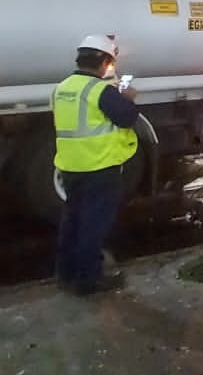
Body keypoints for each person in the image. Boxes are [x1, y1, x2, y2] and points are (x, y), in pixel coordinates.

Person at [52, 34, 140, 294]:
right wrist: (129, 98)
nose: (108, 69)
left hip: (69, 166)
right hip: (99, 167)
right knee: (93, 225)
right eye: (109, 63)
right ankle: (88, 280)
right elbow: (127, 118)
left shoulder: (62, 87)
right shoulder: (100, 90)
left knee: (72, 221)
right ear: (103, 61)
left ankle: (65, 274)